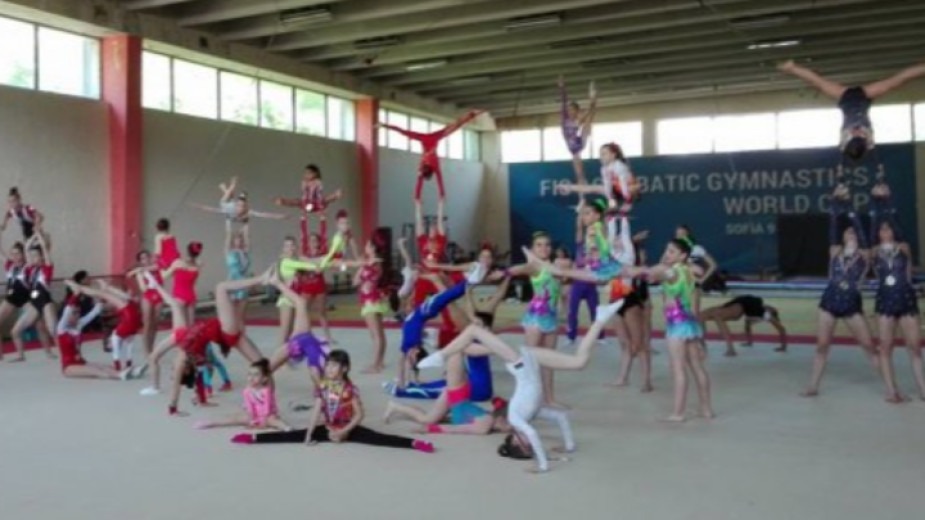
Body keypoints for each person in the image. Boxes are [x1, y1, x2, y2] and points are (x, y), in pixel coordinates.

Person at [417, 300, 625, 473]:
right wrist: (568, 446)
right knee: (579, 362)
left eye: (525, 445)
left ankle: (441, 355)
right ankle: (600, 318)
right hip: (528, 358)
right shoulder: (532, 413)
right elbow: (561, 417)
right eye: (530, 448)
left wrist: (543, 465)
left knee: (473, 330)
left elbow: (533, 434)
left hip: (518, 361)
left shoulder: (516, 418)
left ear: (515, 439)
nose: (529, 441)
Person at [230, 350, 435, 454]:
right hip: (328, 427)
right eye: (327, 365)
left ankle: (414, 443)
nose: (328, 369)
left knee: (378, 438)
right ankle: (254, 438)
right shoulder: (323, 386)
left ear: (344, 369)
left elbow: (359, 415)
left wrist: (344, 431)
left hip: (348, 427)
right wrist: (309, 434)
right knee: (295, 435)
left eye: (333, 366)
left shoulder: (349, 388)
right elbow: (317, 410)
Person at [132, 270, 267, 408]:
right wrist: (174, 405)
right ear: (186, 368)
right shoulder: (187, 354)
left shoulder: (193, 354)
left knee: (262, 365)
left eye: (172, 370)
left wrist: (156, 286)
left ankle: (265, 401)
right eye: (174, 371)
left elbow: (173, 304)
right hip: (223, 331)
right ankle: (261, 278)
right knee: (221, 288)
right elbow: (182, 382)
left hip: (219, 333)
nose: (172, 369)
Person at [802, 183, 880, 397]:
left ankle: (891, 387)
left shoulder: (865, 255)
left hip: (851, 304)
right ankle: (813, 386)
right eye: (848, 232)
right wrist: (836, 201)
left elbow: (860, 230)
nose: (851, 233)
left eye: (853, 231)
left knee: (868, 346)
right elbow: (834, 224)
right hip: (829, 301)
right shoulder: (835, 251)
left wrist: (848, 203)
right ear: (843, 237)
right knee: (822, 346)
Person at [778, 60, 925, 161]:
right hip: (850, 97)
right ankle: (792, 67)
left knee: (898, 79)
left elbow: (856, 147)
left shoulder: (866, 138)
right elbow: (846, 148)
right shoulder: (850, 137)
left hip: (856, 97)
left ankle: (792, 67)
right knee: (817, 81)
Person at [644, 238, 714, 422]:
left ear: (682, 255)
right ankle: (706, 409)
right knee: (697, 367)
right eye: (666, 250)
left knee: (678, 369)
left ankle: (678, 412)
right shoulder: (688, 270)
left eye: (671, 251)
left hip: (677, 325)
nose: (667, 254)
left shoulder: (672, 272)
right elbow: (699, 270)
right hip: (690, 323)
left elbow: (653, 273)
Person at [868, 180, 924, 403]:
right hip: (886, 301)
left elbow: (896, 223)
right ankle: (891, 391)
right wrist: (875, 200)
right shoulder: (873, 251)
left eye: (888, 227)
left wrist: (887, 199)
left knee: (915, 347)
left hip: (906, 298)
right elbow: (873, 223)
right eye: (882, 228)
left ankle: (923, 388)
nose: (885, 230)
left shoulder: (904, 247)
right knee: (885, 347)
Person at [377, 110, 482, 201]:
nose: (421, 169)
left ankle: (471, 114)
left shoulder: (426, 166)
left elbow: (432, 180)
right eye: (423, 170)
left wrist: (419, 196)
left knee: (455, 125)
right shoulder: (428, 166)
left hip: (428, 139)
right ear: (426, 169)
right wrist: (438, 195)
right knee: (456, 126)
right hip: (433, 138)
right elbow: (434, 180)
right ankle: (471, 114)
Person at [337, 232, 389, 374]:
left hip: (371, 301)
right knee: (378, 334)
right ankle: (379, 362)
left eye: (367, 244)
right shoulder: (370, 262)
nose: (365, 246)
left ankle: (376, 365)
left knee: (376, 334)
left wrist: (351, 244)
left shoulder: (374, 262)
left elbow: (358, 261)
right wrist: (351, 240)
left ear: (372, 247)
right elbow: (355, 280)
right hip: (372, 299)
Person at [66, 279, 143, 371]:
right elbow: (119, 295)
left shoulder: (121, 303)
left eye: (108, 343)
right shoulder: (124, 302)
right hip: (133, 319)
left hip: (132, 319)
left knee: (104, 295)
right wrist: (107, 290)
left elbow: (105, 295)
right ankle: (127, 363)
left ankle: (120, 365)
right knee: (106, 295)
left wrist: (105, 291)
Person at [195, 359, 291, 431]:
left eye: (256, 375)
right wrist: (253, 420)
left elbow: (267, 409)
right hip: (254, 414)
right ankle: (212, 423)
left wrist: (262, 422)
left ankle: (286, 428)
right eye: (249, 374)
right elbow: (250, 407)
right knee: (236, 418)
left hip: (268, 415)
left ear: (264, 379)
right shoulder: (247, 391)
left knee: (273, 420)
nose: (251, 377)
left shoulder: (266, 391)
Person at [55, 294, 130, 380]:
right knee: (95, 371)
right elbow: (67, 309)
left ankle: (126, 371)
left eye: (78, 312)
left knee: (104, 367)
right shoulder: (61, 328)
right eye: (74, 313)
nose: (77, 315)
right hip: (69, 366)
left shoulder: (79, 324)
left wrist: (101, 297)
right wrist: (76, 293)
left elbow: (94, 312)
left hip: (81, 361)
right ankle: (119, 375)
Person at [274, 164, 343, 256]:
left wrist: (321, 211)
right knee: (297, 201)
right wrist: (304, 209)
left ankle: (335, 196)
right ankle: (283, 201)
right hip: (307, 204)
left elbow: (319, 195)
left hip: (316, 203)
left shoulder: (318, 182)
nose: (306, 175)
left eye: (308, 173)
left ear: (315, 174)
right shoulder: (304, 182)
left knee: (325, 200)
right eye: (305, 173)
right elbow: (304, 195)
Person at [9, 231, 57, 360]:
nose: (32, 258)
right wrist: (34, 236)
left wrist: (40, 237)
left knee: (53, 330)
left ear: (42, 257)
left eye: (36, 256)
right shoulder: (31, 269)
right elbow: (26, 248)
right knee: (15, 331)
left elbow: (45, 250)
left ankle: (66, 355)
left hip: (46, 302)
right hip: (34, 303)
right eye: (31, 256)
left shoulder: (47, 268)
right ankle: (20, 356)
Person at [560, 143, 638, 215]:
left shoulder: (619, 166)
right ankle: (570, 187)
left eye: (604, 154)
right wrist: (611, 202)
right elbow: (607, 188)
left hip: (628, 191)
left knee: (624, 188)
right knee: (594, 189)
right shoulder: (603, 169)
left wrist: (627, 202)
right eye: (600, 154)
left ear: (613, 155)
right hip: (617, 193)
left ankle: (620, 206)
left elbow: (624, 186)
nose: (601, 157)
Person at [699, 295, 787, 357]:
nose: (770, 307)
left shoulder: (765, 313)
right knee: (701, 315)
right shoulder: (755, 312)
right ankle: (703, 345)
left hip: (739, 305)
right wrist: (749, 342)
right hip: (738, 304)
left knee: (716, 316)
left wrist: (783, 346)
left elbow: (781, 329)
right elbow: (747, 326)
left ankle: (730, 349)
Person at [190, 176, 287, 224]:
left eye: (242, 206)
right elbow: (211, 209)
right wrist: (198, 206)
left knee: (231, 196)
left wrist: (278, 217)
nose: (240, 208)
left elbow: (263, 214)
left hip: (230, 212)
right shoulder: (232, 206)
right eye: (239, 205)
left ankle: (227, 188)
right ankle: (229, 187)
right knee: (230, 195)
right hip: (226, 204)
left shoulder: (246, 211)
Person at [558, 75, 597, 187]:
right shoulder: (565, 117)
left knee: (588, 119)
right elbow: (563, 101)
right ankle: (581, 179)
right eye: (569, 109)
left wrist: (592, 102)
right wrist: (562, 88)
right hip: (572, 144)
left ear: (577, 111)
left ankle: (581, 180)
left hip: (578, 142)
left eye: (573, 110)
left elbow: (589, 111)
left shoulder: (578, 119)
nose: (570, 112)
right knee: (577, 161)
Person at [0, 237, 29, 362]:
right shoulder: (10, 266)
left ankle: (51, 350)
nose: (15, 256)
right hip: (11, 299)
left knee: (41, 326)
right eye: (13, 254)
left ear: (23, 254)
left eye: (17, 253)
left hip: (26, 299)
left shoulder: (28, 267)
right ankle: (1, 354)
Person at [162, 241, 202, 326]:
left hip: (179, 295)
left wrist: (160, 268)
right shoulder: (198, 265)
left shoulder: (178, 263)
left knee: (180, 327)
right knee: (190, 326)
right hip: (191, 295)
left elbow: (164, 276)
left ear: (187, 251)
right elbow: (195, 282)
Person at [224, 221, 251, 334]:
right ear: (233, 241)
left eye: (240, 240)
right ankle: (232, 335)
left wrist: (246, 223)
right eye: (236, 239)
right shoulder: (228, 251)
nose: (238, 241)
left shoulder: (245, 252)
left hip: (242, 284)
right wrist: (228, 221)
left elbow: (247, 236)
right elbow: (228, 235)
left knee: (240, 316)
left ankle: (241, 336)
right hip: (232, 283)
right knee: (231, 315)